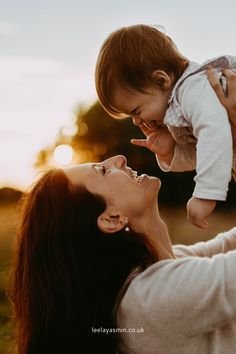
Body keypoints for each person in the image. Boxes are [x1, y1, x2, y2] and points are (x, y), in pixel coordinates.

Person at [10, 153, 236, 354]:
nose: (120, 159)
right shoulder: (152, 298)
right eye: (104, 171)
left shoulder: (155, 269)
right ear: (112, 219)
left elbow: (229, 244)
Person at [95, 24, 236, 229]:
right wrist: (172, 151)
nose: (136, 121)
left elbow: (215, 135)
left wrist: (206, 194)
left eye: (136, 111)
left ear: (161, 81)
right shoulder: (181, 106)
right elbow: (208, 149)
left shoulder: (192, 90)